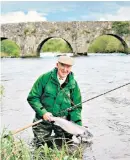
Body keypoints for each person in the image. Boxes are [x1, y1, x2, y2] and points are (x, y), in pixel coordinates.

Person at [27, 55, 82, 147]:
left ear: (71, 68)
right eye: (62, 65)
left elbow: (77, 107)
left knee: (66, 146)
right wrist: (43, 112)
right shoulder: (44, 78)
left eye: (68, 66)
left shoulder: (73, 84)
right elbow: (33, 97)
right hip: (43, 120)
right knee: (41, 146)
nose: (65, 69)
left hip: (64, 122)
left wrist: (78, 126)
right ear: (57, 65)